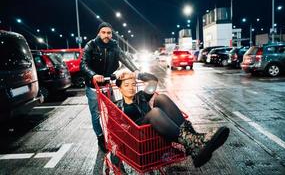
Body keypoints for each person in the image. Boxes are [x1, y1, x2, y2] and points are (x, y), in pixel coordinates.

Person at [115, 72, 230, 168]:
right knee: (155, 112)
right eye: (126, 85)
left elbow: (153, 81)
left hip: (155, 132)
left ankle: (193, 140)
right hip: (139, 139)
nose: (131, 87)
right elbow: (118, 132)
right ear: (119, 88)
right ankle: (193, 142)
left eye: (133, 84)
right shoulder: (117, 106)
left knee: (161, 98)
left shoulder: (141, 96)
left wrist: (139, 74)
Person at [80, 22, 139, 152]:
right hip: (93, 86)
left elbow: (124, 57)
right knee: (96, 115)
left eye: (109, 33)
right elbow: (83, 64)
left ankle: (114, 134)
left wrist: (135, 70)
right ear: (99, 33)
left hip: (107, 84)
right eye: (104, 32)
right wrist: (93, 75)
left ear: (111, 34)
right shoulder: (91, 45)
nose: (106, 35)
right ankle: (100, 138)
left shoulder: (114, 45)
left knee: (113, 111)